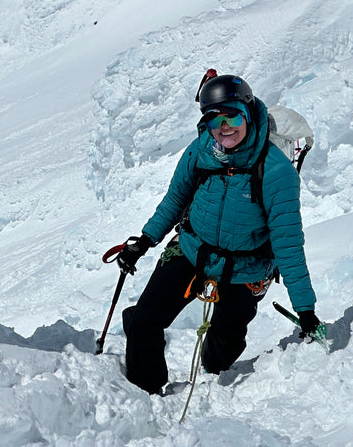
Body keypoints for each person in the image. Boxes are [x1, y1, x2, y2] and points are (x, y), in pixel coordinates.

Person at [115, 74, 322, 394]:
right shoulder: (200, 153)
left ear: (248, 112)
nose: (223, 126)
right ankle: (145, 393)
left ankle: (215, 380)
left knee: (224, 347)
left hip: (246, 267)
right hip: (192, 248)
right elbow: (175, 201)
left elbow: (287, 242)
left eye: (232, 116)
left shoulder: (276, 170)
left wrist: (305, 310)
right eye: (213, 119)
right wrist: (143, 242)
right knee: (144, 322)